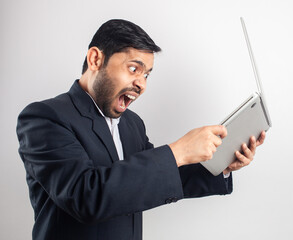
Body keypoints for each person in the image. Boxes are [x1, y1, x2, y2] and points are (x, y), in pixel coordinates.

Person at [16, 19, 266, 240]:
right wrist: (177, 151)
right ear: (95, 59)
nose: (142, 84)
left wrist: (221, 164)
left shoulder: (132, 123)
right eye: (134, 69)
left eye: (147, 75)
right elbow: (85, 196)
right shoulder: (44, 118)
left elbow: (156, 176)